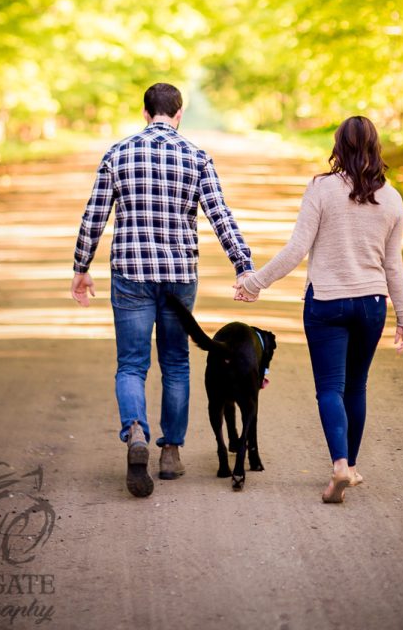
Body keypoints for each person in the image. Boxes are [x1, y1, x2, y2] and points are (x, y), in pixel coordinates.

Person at [70, 82, 254, 498]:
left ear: (144, 111)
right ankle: (170, 452)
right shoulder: (196, 157)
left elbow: (93, 216)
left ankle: (136, 430)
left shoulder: (117, 154)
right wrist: (243, 266)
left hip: (131, 273)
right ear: (179, 113)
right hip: (178, 276)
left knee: (132, 364)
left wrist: (81, 267)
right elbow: (220, 216)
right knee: (176, 363)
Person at [234, 115, 403, 503]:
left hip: (327, 303)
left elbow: (297, 248)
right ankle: (350, 467)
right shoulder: (392, 198)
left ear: (339, 147)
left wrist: (253, 283)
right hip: (373, 305)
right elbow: (393, 264)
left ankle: (340, 465)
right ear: (375, 148)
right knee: (357, 386)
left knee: (330, 388)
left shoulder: (321, 188)